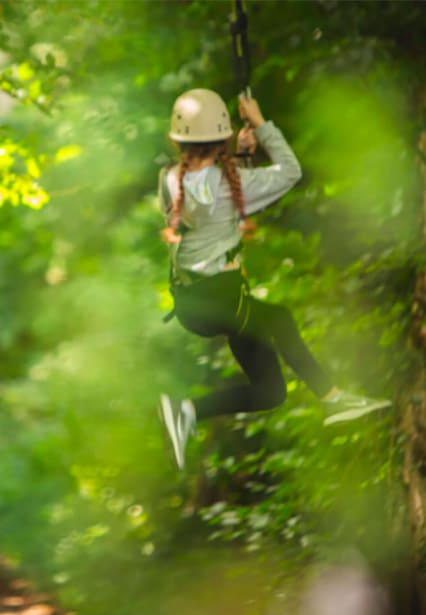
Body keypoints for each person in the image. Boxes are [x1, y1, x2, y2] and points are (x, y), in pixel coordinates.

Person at [157, 88, 390, 470]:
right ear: (223, 137)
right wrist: (261, 125)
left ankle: (188, 411)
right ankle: (333, 397)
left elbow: (214, 200)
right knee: (279, 317)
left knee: (269, 391)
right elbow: (289, 172)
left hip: (194, 305)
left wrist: (243, 157)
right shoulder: (229, 185)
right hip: (223, 300)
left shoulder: (169, 180)